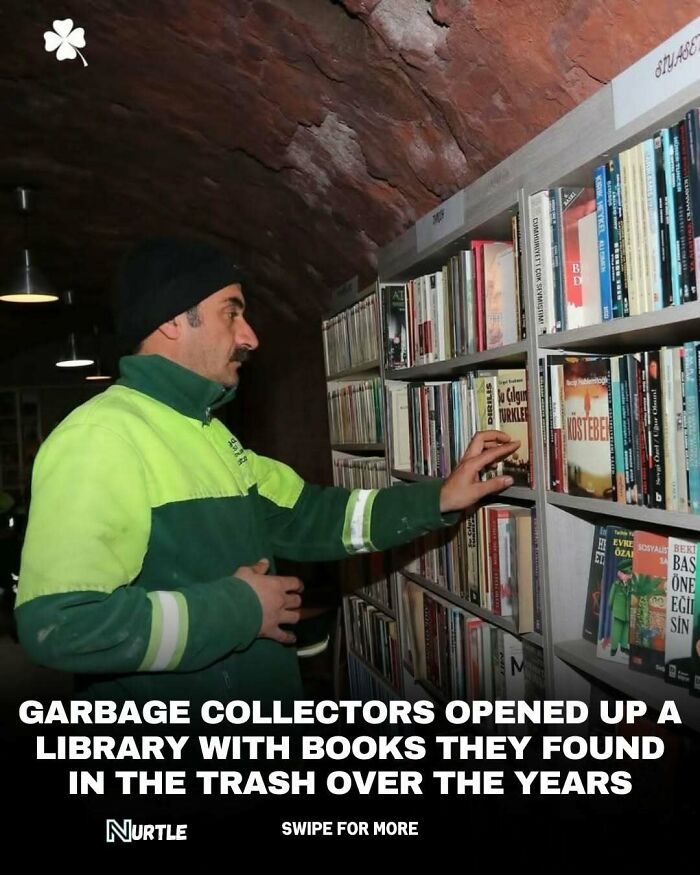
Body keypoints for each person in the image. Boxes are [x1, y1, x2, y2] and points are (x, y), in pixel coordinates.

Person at [15, 237, 519, 707]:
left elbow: (310, 516)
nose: (250, 336)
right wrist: (238, 609)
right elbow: (60, 626)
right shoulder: (100, 437)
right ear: (172, 321)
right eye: (230, 312)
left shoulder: (206, 431)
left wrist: (437, 500)